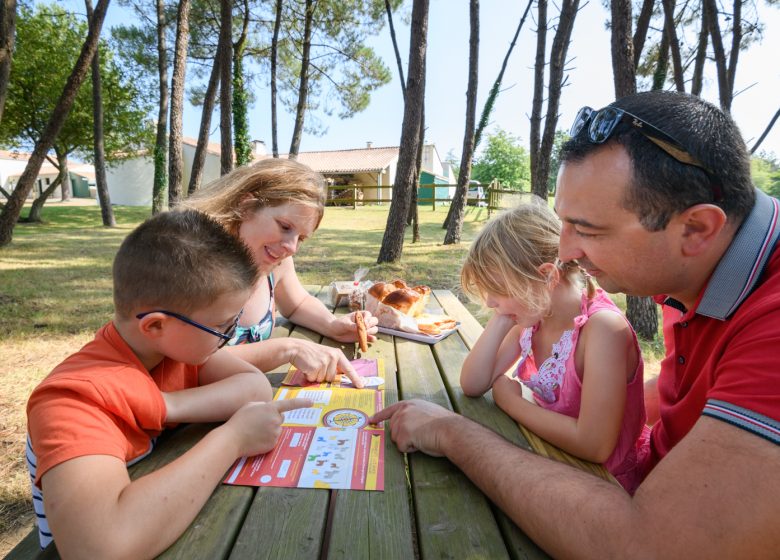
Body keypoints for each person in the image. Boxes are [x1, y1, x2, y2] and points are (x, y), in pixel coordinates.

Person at [371, 91, 780, 557]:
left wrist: (453, 433)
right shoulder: (694, 273)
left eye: (586, 229)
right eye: (563, 223)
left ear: (696, 229)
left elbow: (651, 548)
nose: (564, 253)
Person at [26, 210, 311, 557]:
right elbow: (102, 548)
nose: (230, 336)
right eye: (223, 326)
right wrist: (232, 440)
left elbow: (254, 387)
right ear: (156, 325)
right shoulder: (73, 400)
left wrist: (164, 405)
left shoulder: (173, 350)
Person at [459, 203, 647, 494]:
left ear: (547, 277)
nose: (490, 302)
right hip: (553, 460)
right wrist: (501, 317)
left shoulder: (602, 331)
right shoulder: (535, 316)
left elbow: (594, 445)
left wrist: (512, 403)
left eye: (498, 289)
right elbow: (472, 383)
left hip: (607, 486)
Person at [182, 159, 378, 388]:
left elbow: (296, 304)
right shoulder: (193, 267)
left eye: (301, 237)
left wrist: (332, 325)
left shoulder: (276, 261)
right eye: (285, 227)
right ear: (246, 206)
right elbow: (191, 365)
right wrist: (288, 349)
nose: (292, 247)